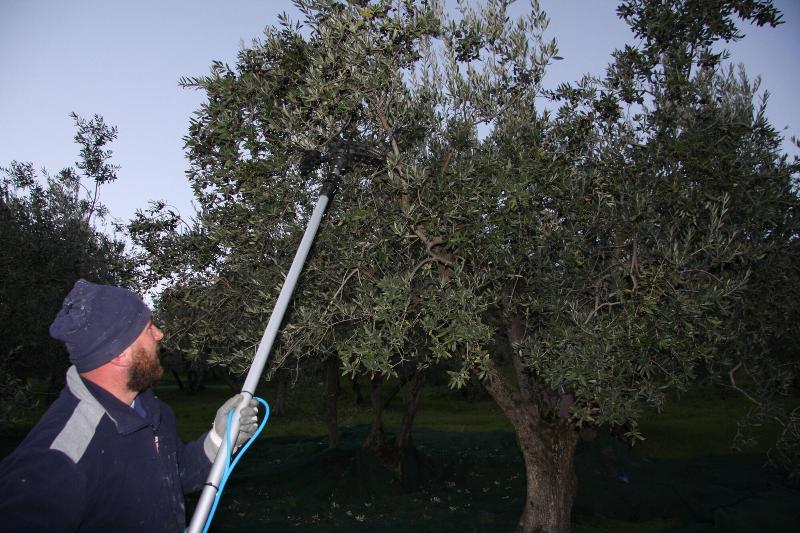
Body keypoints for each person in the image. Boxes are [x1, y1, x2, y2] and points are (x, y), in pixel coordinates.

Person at [0, 279, 259, 532]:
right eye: (147, 328)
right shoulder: (58, 458)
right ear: (120, 355)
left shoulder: (149, 409)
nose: (160, 334)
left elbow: (174, 476)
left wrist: (219, 439)